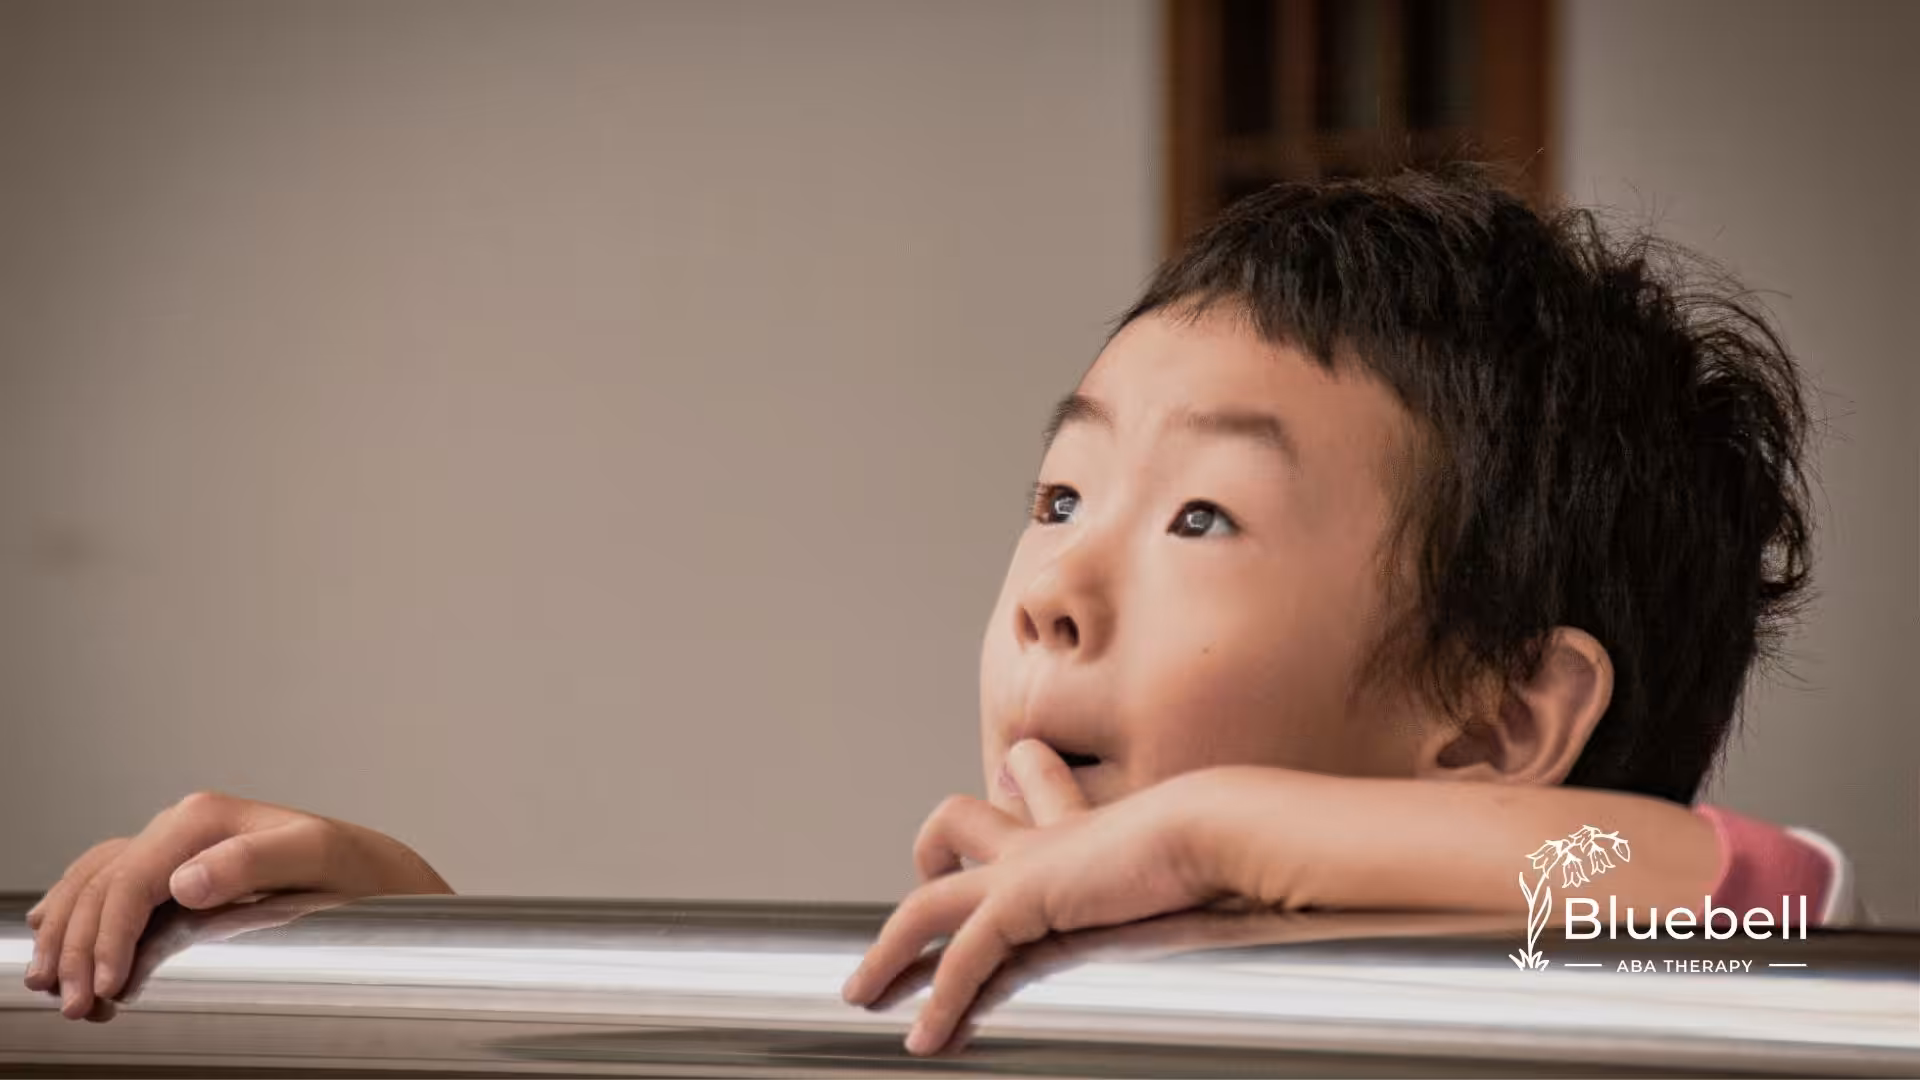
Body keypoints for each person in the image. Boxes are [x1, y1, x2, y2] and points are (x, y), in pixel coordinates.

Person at [21, 168, 1855, 1055]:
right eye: (1060, 497)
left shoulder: (1561, 994)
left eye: (1202, 514)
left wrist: (1217, 838)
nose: (1054, 586)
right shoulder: (981, 978)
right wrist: (402, 950)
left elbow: (1761, 896)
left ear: (1497, 722)